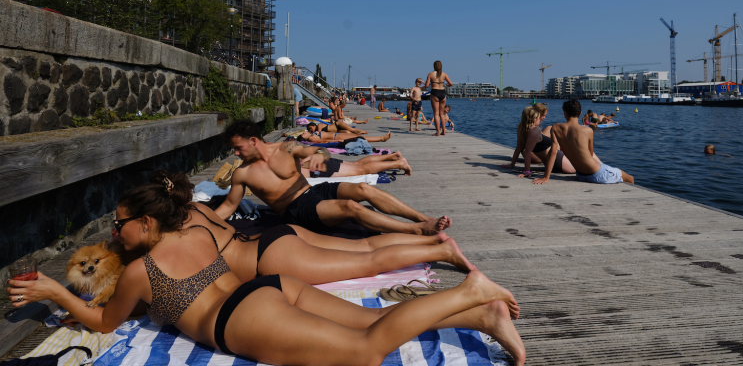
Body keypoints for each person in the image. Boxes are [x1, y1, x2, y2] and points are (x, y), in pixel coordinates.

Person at [8, 172, 526, 365]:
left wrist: (55, 291)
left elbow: (102, 324)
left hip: (243, 319)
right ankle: (482, 320)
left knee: (367, 352)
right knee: (370, 323)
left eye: (120, 223)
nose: (114, 231)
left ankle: (470, 292)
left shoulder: (142, 274)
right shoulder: (194, 226)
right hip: (274, 288)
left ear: (145, 223)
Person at [219, 120, 452, 235]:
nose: (236, 154)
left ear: (253, 141)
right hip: (296, 210)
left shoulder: (286, 148)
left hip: (313, 191)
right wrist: (200, 221)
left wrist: (321, 155)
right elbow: (229, 206)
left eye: (238, 148)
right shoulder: (243, 173)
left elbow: (320, 151)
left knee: (363, 189)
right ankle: (416, 230)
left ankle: (423, 218)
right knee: (351, 207)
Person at [535, 99, 634, 185]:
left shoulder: (556, 128)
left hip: (580, 174)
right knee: (630, 178)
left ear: (565, 113)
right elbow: (590, 154)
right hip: (596, 173)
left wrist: (546, 177)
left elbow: (553, 153)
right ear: (580, 113)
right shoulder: (587, 131)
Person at [501, 107, 576, 176]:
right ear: (534, 119)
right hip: (561, 162)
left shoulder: (521, 128)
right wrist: (527, 171)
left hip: (551, 164)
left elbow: (519, 148)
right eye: (539, 117)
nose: (540, 119)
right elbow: (527, 151)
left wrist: (512, 164)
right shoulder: (535, 130)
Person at [301, 152, 413, 177]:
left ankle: (399, 163)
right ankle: (392, 157)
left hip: (317, 169)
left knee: (359, 170)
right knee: (357, 165)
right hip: (316, 163)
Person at [291, 123, 391, 144]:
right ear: (304, 138)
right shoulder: (311, 138)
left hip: (337, 135)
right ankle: (382, 138)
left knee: (359, 136)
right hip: (336, 137)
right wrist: (340, 141)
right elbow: (325, 141)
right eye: (303, 134)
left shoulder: (312, 135)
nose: (304, 132)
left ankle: (382, 138)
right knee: (359, 138)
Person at [425, 61, 452, 136]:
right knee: (442, 114)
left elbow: (427, 85)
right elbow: (451, 83)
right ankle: (443, 131)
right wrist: (447, 85)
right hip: (443, 93)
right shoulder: (444, 74)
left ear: (434, 66)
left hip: (435, 93)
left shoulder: (430, 74)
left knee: (436, 114)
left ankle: (437, 132)